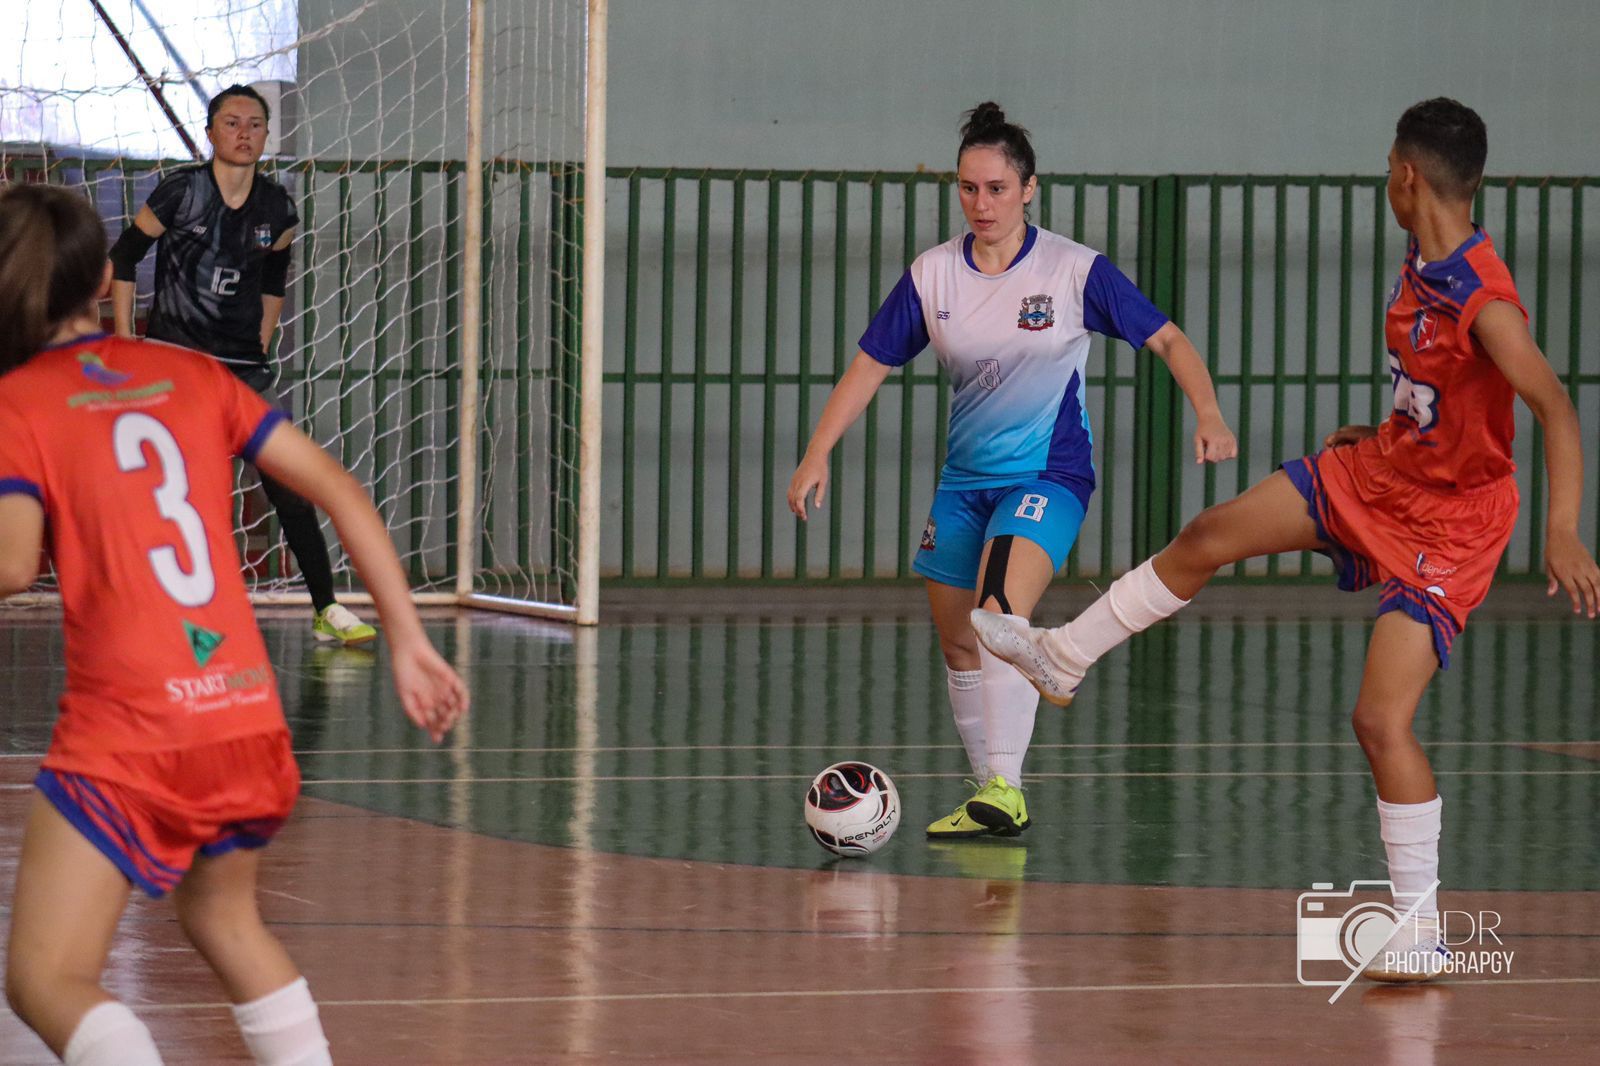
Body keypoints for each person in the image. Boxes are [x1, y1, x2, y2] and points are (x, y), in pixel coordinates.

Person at [970, 98, 1600, 980]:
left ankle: (1419, 928)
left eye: (1389, 167)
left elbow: (1555, 408)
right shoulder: (1423, 255)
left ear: (1407, 176)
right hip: (1381, 471)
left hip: (1452, 525)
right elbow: (1440, 391)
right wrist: (1387, 431)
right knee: (1209, 532)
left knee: (1380, 719)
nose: (1387, 179)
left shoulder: (1484, 300)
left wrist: (1563, 530)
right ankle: (1065, 657)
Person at [0, 184, 469, 1064]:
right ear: (105, 279)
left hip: (131, 730)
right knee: (222, 915)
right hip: (244, 713)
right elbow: (339, 488)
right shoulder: (194, 375)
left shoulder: (19, 405)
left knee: (44, 977)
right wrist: (407, 637)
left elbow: (12, 563)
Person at [787, 102, 1236, 839]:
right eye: (968, 188)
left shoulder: (1073, 269)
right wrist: (817, 451)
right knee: (959, 638)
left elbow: (1168, 339)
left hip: (1048, 474)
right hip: (965, 483)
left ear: (1029, 188)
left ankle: (1007, 788)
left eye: (996, 188)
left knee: (998, 617)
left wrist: (1209, 412)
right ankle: (992, 788)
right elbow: (870, 364)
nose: (981, 203)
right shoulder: (933, 276)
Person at [108, 83, 375, 645]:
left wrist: (263, 338)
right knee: (175, 493)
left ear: (267, 135)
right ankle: (155, 613)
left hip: (243, 370)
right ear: (210, 133)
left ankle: (327, 608)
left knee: (288, 485)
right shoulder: (181, 193)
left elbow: (275, 278)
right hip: (174, 367)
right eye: (232, 123)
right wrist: (129, 342)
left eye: (255, 124)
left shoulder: (278, 206)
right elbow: (125, 255)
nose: (244, 133)